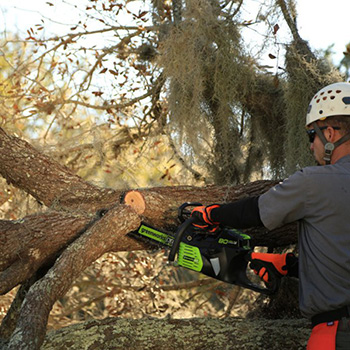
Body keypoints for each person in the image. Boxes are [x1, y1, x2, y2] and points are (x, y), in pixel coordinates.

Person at [191, 82, 350, 350]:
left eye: (312, 136)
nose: (311, 146)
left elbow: (257, 210)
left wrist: (211, 213)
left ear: (331, 134)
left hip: (336, 333)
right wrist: (292, 266)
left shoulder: (315, 182)